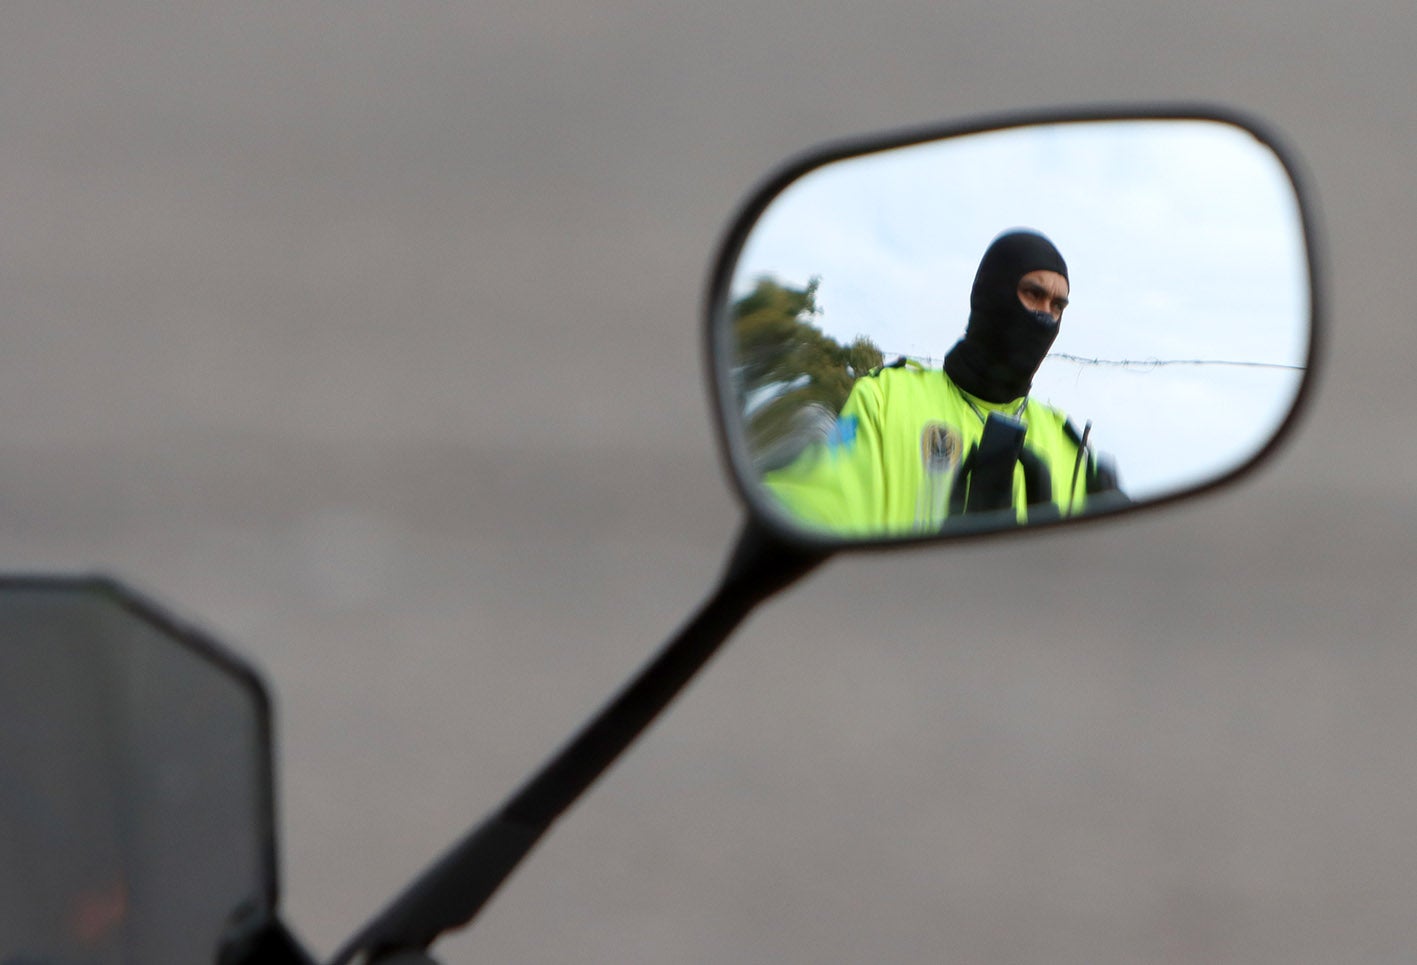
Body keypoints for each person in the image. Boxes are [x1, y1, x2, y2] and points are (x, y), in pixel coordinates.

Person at [761, 229, 1122, 536]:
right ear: (989, 294)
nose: (1046, 316)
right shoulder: (887, 399)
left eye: (1058, 306)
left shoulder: (1067, 448)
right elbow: (810, 510)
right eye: (1033, 294)